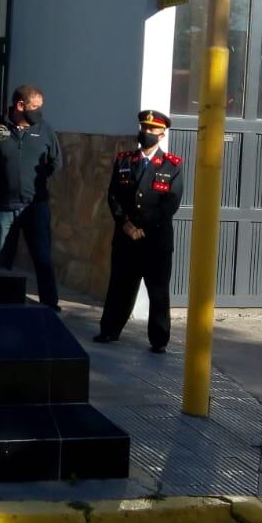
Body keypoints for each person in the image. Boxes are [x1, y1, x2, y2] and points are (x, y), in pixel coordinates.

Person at [94, 109, 184, 352]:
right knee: (120, 287)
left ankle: (159, 340)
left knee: (158, 293)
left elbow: (170, 204)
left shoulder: (172, 165)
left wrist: (142, 227)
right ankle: (109, 330)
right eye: (144, 128)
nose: (146, 133)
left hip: (155, 241)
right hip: (126, 238)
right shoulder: (124, 161)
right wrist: (126, 225)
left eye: (152, 130)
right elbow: (113, 196)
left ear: (162, 134)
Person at [0, 84, 61, 310]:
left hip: (35, 206)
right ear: (20, 105)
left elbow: (55, 162)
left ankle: (50, 305)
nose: (38, 112)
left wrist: (38, 184)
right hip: (4, 205)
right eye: (34, 107)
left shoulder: (45, 130)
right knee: (0, 259)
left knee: (43, 258)